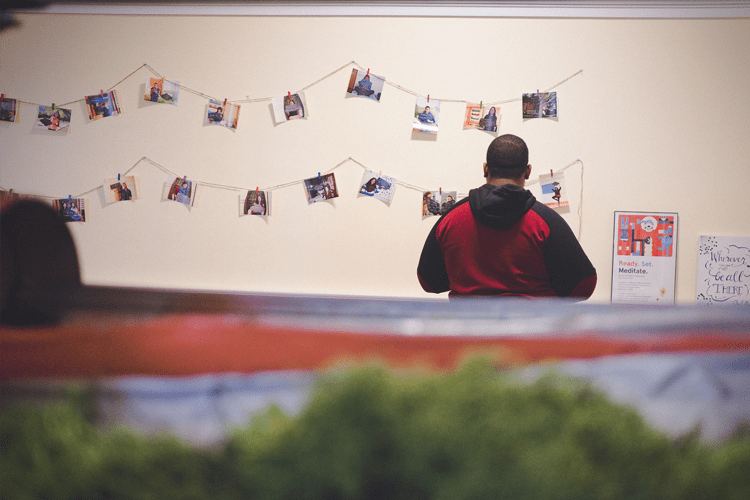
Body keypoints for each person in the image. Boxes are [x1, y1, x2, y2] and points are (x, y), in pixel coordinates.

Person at [417, 134, 596, 299]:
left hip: (468, 329)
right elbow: (584, 286)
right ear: (528, 171)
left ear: (485, 169)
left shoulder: (451, 218)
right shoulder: (545, 221)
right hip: (531, 329)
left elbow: (428, 282)